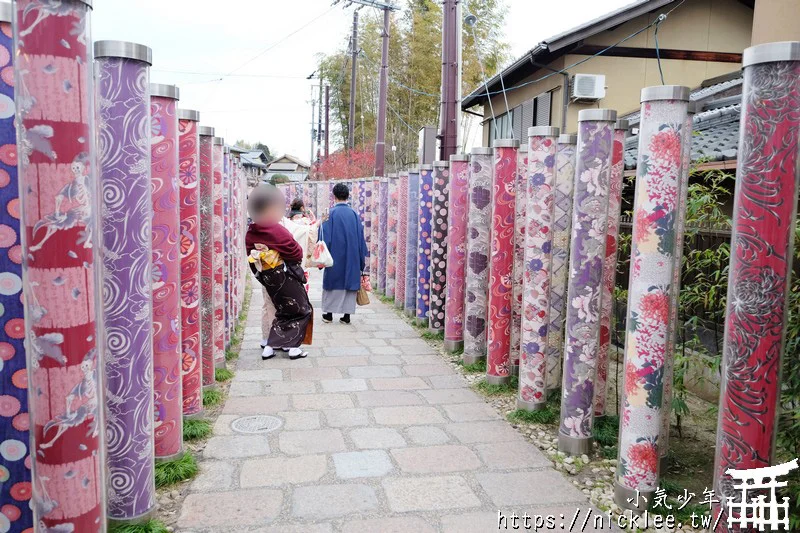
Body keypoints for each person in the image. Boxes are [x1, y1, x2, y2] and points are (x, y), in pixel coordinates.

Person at [246, 185, 312, 360]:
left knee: (279, 310)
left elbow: (249, 254)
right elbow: (295, 251)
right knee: (301, 309)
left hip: (266, 276)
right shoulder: (275, 229)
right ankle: (293, 348)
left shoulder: (252, 231)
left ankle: (269, 345)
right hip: (283, 275)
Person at [320, 183, 367, 324]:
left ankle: (328, 314)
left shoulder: (330, 213)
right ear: (348, 196)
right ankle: (346, 316)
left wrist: (322, 258)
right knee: (349, 282)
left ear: (334, 196)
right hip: (351, 256)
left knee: (332, 282)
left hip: (334, 255)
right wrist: (361, 259)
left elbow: (324, 237)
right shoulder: (354, 214)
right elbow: (360, 238)